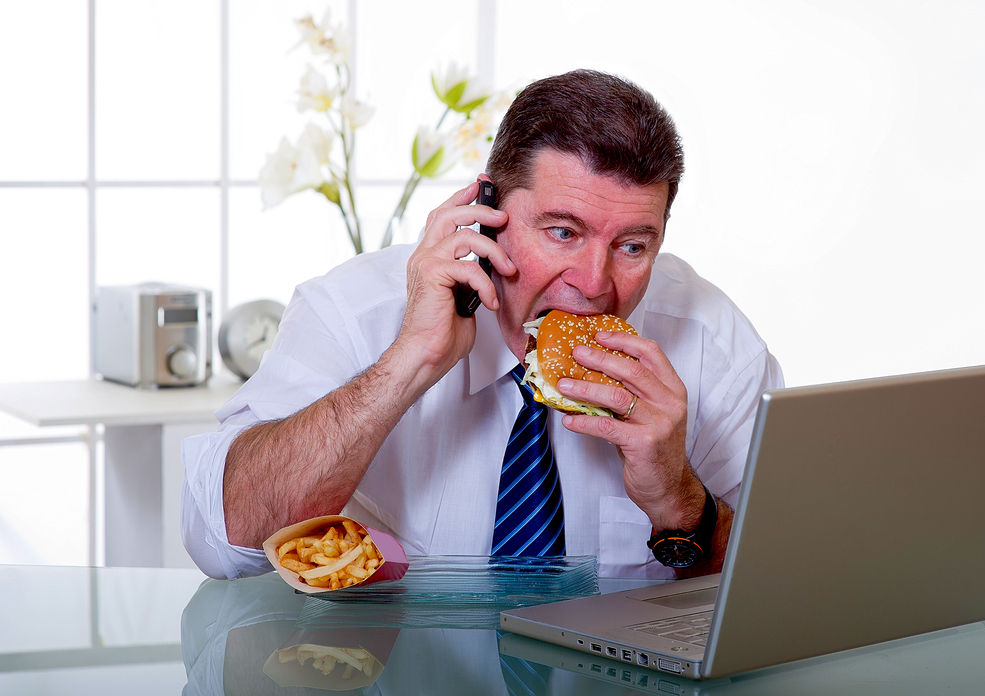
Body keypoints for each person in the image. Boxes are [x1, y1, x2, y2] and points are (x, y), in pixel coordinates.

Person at [182, 69, 783, 580]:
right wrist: (409, 361)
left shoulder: (710, 339)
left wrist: (680, 500)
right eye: (562, 232)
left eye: (632, 245)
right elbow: (223, 538)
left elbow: (793, 586)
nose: (595, 283)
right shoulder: (355, 308)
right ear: (487, 213)